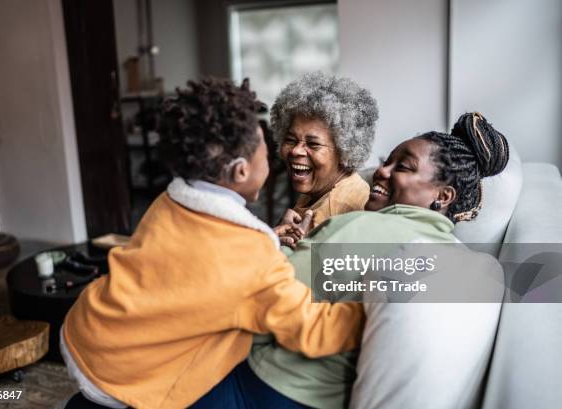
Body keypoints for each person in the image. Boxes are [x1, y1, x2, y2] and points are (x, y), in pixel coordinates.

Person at [60, 78, 364, 409]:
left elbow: (198, 262)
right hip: (125, 372)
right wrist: (375, 307)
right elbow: (313, 328)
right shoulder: (251, 256)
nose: (285, 152)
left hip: (89, 328)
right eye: (268, 145)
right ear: (242, 171)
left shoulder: (171, 200)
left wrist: (267, 240)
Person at [191, 112, 509, 409]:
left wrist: (277, 246)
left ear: (442, 196)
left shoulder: (368, 226)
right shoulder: (440, 246)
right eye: (388, 162)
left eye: (404, 167)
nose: (382, 171)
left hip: (271, 385)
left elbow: (261, 293)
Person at [270, 72, 378, 248]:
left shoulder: (335, 208)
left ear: (345, 151)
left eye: (313, 144)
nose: (296, 150)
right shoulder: (324, 186)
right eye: (290, 140)